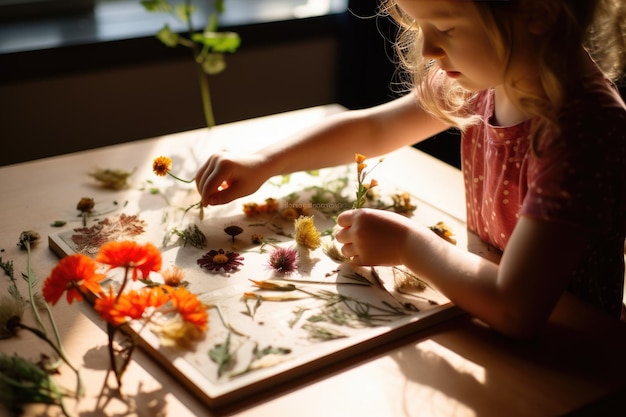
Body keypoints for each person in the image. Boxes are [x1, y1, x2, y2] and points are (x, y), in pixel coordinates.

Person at [196, 0, 626, 339]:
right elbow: (375, 127)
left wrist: (407, 244)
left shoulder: (580, 127)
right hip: (487, 308)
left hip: (574, 347)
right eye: (422, 27)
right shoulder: (494, 72)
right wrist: (268, 161)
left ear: (536, 12)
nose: (428, 50)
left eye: (447, 28)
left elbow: (517, 309)